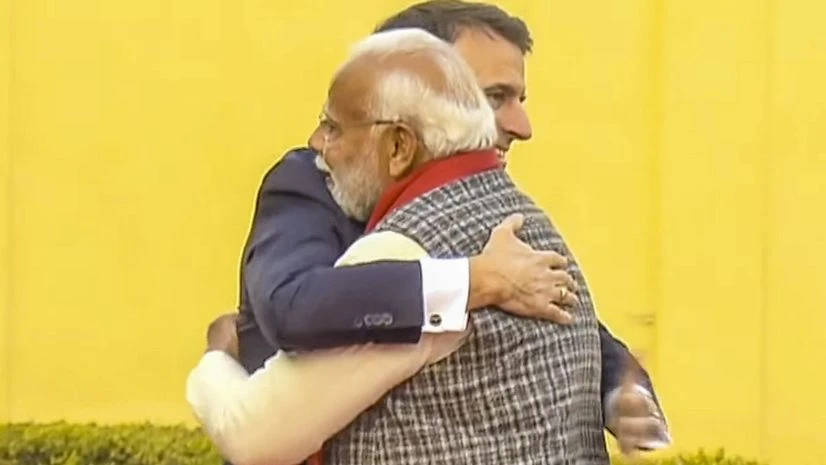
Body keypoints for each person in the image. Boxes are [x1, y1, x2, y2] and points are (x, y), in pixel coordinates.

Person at [187, 26, 667, 465]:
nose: (521, 124)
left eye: (334, 127)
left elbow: (253, 437)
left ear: (400, 145)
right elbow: (293, 304)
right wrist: (471, 281)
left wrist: (216, 359)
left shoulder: (410, 244)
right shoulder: (525, 225)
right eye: (490, 96)